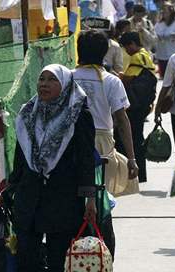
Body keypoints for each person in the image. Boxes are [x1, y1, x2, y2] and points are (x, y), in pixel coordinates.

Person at [9, 64, 96, 271]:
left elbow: (86, 160)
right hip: (30, 196)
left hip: (63, 198)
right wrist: (11, 187)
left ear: (65, 85)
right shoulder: (27, 113)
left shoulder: (78, 115)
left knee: (60, 259)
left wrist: (89, 198)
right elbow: (20, 155)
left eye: (52, 80)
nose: (44, 84)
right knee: (27, 258)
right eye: (42, 79)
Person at [73, 30, 139, 198]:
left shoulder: (66, 77)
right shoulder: (112, 80)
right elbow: (122, 120)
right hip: (102, 143)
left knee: (74, 194)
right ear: (104, 52)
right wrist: (131, 159)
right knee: (102, 197)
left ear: (79, 49)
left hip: (72, 140)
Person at [118, 31, 157, 183]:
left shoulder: (137, 57)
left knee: (130, 139)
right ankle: (141, 175)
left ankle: (132, 174)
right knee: (138, 138)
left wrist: (118, 76)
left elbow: (128, 79)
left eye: (127, 46)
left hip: (134, 106)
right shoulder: (145, 54)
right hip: (143, 104)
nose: (127, 50)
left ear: (133, 44)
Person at [154, 2, 175, 79]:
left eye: (165, 11)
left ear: (171, 12)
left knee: (174, 76)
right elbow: (155, 37)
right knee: (163, 77)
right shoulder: (159, 24)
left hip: (174, 53)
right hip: (161, 54)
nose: (163, 13)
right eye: (162, 11)